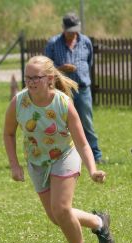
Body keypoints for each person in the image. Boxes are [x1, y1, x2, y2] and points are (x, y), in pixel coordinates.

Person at [3, 55, 114, 243]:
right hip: (37, 160)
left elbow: (82, 143)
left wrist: (92, 170)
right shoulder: (19, 102)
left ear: (50, 79)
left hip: (64, 154)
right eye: (28, 78)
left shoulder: (63, 102)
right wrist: (14, 164)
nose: (31, 82)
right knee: (57, 217)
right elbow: (8, 134)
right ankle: (99, 222)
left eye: (37, 77)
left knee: (62, 209)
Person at [45, 12, 106, 164]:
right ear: (63, 29)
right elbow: (45, 68)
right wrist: (61, 68)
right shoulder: (53, 43)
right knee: (59, 123)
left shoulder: (85, 41)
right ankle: (60, 155)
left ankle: (96, 156)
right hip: (60, 90)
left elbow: (90, 62)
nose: (73, 34)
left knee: (87, 122)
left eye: (75, 30)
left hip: (82, 89)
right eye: (70, 31)